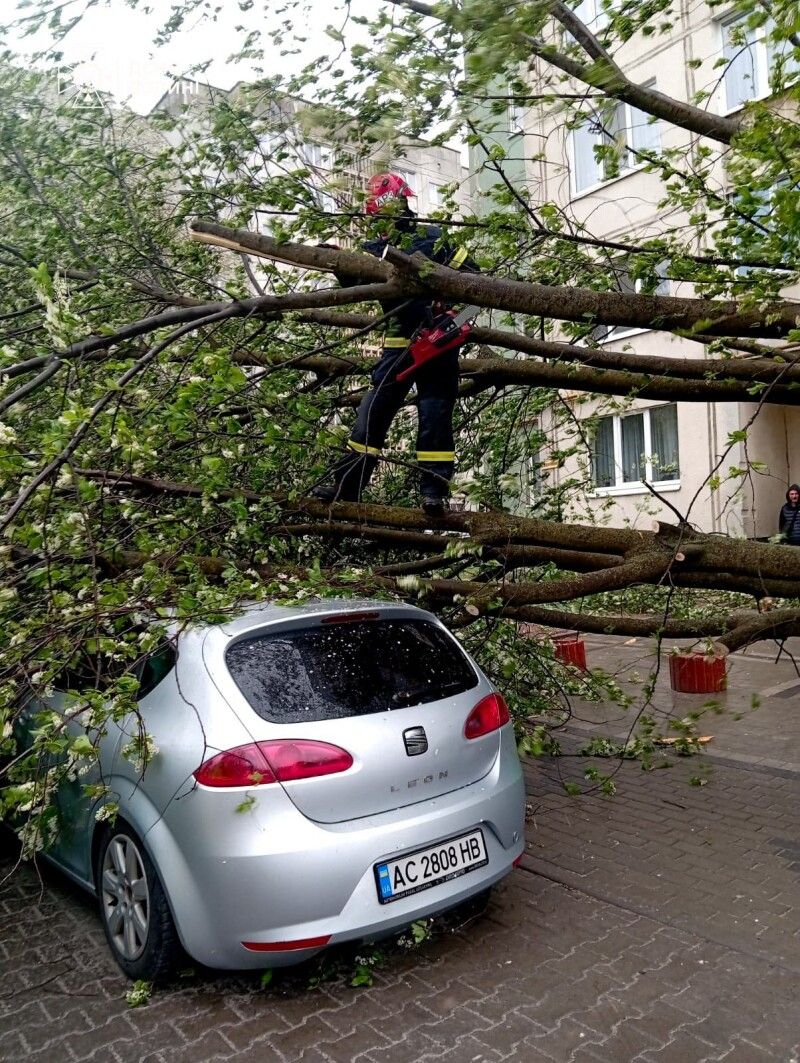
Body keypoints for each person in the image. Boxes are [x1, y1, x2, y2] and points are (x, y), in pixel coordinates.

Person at [311, 172, 479, 517]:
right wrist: (337, 263)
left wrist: (453, 323)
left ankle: (434, 493)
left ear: (402, 204)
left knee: (435, 418)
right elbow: (357, 284)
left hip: (440, 347)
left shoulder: (436, 239)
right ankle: (348, 487)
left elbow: (479, 290)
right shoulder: (374, 251)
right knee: (372, 414)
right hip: (398, 345)